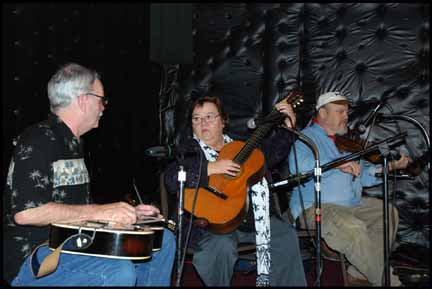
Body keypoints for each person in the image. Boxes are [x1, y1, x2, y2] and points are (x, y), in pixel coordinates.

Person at [3, 63, 176, 286]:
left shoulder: (74, 144)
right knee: (118, 271)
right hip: (37, 255)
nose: (104, 107)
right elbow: (26, 213)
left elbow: (76, 210)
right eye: (101, 100)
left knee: (163, 242)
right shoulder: (38, 139)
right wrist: (102, 211)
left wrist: (126, 213)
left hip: (74, 242)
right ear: (83, 100)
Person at [164, 95, 307, 286]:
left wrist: (289, 127)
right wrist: (211, 168)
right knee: (221, 247)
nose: (202, 123)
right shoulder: (188, 150)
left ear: (223, 122)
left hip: (252, 220)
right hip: (210, 227)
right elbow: (171, 178)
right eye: (196, 119)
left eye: (209, 117)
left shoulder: (241, 147)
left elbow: (271, 154)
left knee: (285, 235)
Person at [288, 91, 410, 286]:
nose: (346, 116)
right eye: (340, 111)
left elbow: (364, 175)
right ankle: (391, 283)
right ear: (323, 113)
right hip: (315, 208)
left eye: (346, 112)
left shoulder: (346, 142)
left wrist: (389, 168)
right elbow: (299, 166)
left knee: (387, 213)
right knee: (353, 226)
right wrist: (335, 163)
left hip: (350, 205)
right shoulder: (306, 138)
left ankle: (358, 273)